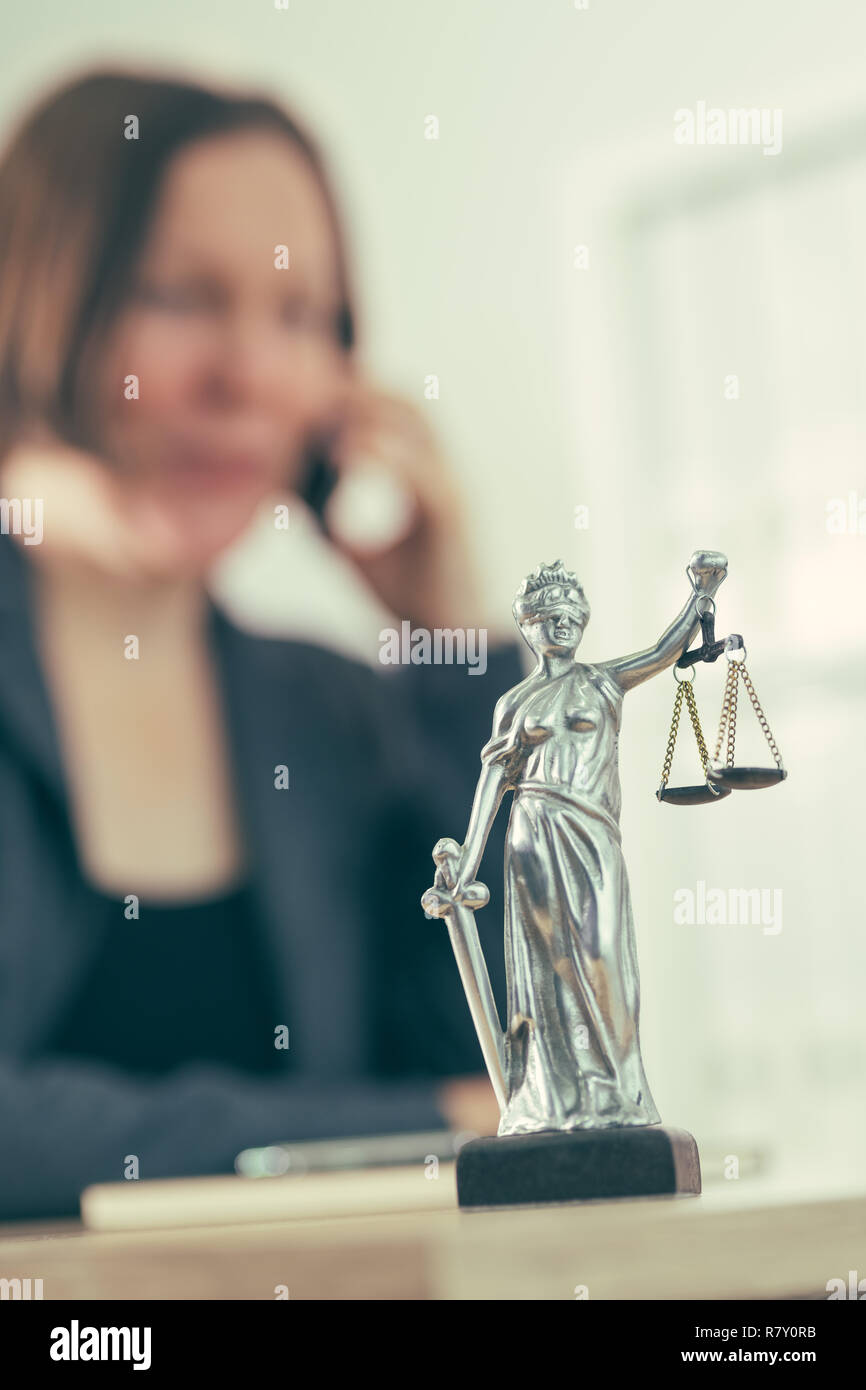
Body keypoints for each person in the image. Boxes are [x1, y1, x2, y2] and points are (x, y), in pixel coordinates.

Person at [0, 67, 517, 1219]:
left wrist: (454, 653)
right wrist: (408, 1130)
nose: (247, 375)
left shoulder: (330, 715)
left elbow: (520, 1082)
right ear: (35, 305)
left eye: (299, 317)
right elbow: (450, 1117)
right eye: (180, 295)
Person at [436, 554, 727, 1135]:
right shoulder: (514, 703)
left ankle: (615, 1091)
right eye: (548, 617)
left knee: (601, 958)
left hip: (591, 832)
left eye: (570, 614)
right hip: (534, 833)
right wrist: (466, 864)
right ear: (529, 626)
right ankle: (553, 1101)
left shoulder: (602, 681)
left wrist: (701, 595)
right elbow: (495, 778)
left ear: (583, 620)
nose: (561, 625)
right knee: (548, 967)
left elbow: (664, 652)